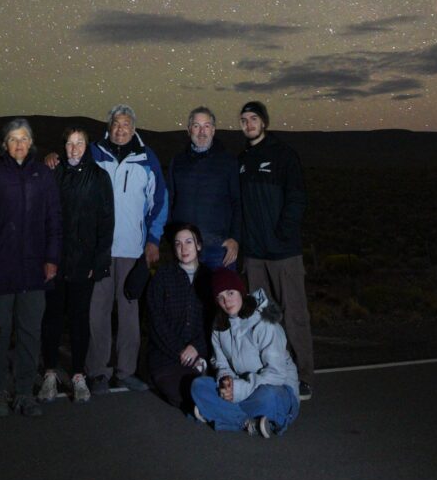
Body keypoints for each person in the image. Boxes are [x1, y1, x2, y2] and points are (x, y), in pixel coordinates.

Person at [0, 118, 61, 418]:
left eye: (23, 138)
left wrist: (52, 258)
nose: (19, 144)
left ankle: (24, 393)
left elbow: (54, 220)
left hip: (34, 268)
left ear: (31, 142)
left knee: (29, 332)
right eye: (13, 139)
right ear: (5, 144)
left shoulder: (43, 174)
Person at [86, 103, 168, 393]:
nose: (120, 130)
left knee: (129, 313)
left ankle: (125, 371)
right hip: (100, 249)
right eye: (116, 124)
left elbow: (159, 201)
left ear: (134, 128)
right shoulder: (94, 153)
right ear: (109, 127)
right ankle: (97, 372)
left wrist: (153, 239)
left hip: (133, 249)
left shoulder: (147, 158)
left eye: (126, 125)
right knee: (98, 311)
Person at [238, 99, 314, 399]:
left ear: (264, 122)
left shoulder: (283, 155)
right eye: (244, 120)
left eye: (254, 119)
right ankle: (273, 371)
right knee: (264, 316)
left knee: (294, 315)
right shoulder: (242, 160)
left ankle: (304, 376)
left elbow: (297, 198)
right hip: (255, 256)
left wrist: (283, 232)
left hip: (284, 254)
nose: (249, 124)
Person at [38, 125, 114, 405]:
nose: (74, 148)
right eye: (69, 143)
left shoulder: (99, 177)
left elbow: (106, 221)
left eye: (79, 142)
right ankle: (50, 373)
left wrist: (99, 261)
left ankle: (78, 374)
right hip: (55, 261)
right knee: (52, 318)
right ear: (63, 146)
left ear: (87, 146)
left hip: (84, 263)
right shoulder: (52, 173)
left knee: (80, 319)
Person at [191, 269, 300, 437]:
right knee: (199, 386)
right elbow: (221, 364)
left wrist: (239, 389)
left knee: (269, 396)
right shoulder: (219, 327)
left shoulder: (264, 323)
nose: (227, 301)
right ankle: (247, 422)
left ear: (241, 291)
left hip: (277, 388)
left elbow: (277, 374)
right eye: (220, 297)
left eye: (230, 293)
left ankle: (220, 413)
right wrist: (226, 382)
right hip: (241, 389)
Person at [145, 223, 211, 412]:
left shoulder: (210, 278)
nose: (183, 248)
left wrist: (197, 347)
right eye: (178, 244)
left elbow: (215, 322)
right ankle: (208, 409)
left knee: (219, 388)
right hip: (166, 357)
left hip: (201, 355)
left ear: (199, 245)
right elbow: (155, 321)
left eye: (189, 242)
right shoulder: (162, 277)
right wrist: (181, 351)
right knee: (184, 394)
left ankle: (215, 410)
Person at [166, 107, 241, 270]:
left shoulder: (228, 162)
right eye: (196, 126)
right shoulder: (177, 162)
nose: (202, 132)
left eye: (206, 126)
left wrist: (235, 238)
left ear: (213, 130)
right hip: (185, 248)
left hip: (219, 249)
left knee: (221, 287)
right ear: (189, 130)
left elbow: (238, 201)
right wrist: (172, 235)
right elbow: (169, 199)